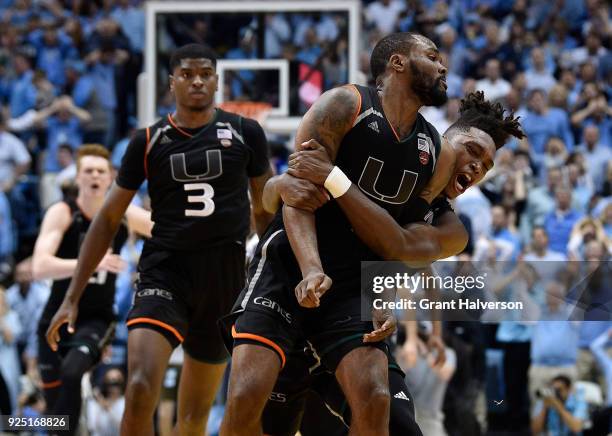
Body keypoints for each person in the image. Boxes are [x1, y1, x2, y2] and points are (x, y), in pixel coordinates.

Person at [221, 32, 522, 435]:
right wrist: (302, 244)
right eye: (471, 151)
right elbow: (291, 191)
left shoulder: (450, 222)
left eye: (485, 167)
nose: (474, 167)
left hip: (349, 293)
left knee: (387, 412)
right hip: (291, 271)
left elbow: (396, 247)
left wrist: (378, 293)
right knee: (253, 402)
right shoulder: (353, 107)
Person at [45, 43, 272, 436]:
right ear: (171, 83)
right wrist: (71, 296)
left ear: (217, 81)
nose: (197, 80)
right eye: (187, 74)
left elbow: (266, 213)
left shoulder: (245, 131)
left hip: (225, 276)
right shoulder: (147, 141)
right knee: (137, 389)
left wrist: (274, 281)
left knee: (193, 417)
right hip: (165, 271)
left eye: (205, 73)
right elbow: (107, 220)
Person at [32, 144, 152, 436]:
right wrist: (90, 264)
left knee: (72, 374)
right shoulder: (63, 212)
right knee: (54, 411)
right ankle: (22, 424)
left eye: (101, 170)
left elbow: (167, 232)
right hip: (57, 316)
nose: (95, 176)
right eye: (88, 170)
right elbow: (39, 266)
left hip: (97, 320)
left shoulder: (122, 212)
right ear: (78, 177)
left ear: (110, 176)